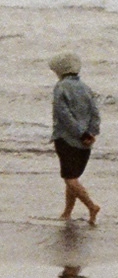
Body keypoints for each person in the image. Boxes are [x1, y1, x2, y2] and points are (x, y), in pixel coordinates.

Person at [50, 50, 100, 225]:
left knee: (69, 178)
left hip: (66, 138)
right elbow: (95, 112)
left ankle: (91, 206)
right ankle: (67, 212)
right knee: (72, 177)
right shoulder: (86, 88)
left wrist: (80, 133)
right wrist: (91, 133)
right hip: (86, 141)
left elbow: (63, 114)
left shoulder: (61, 87)